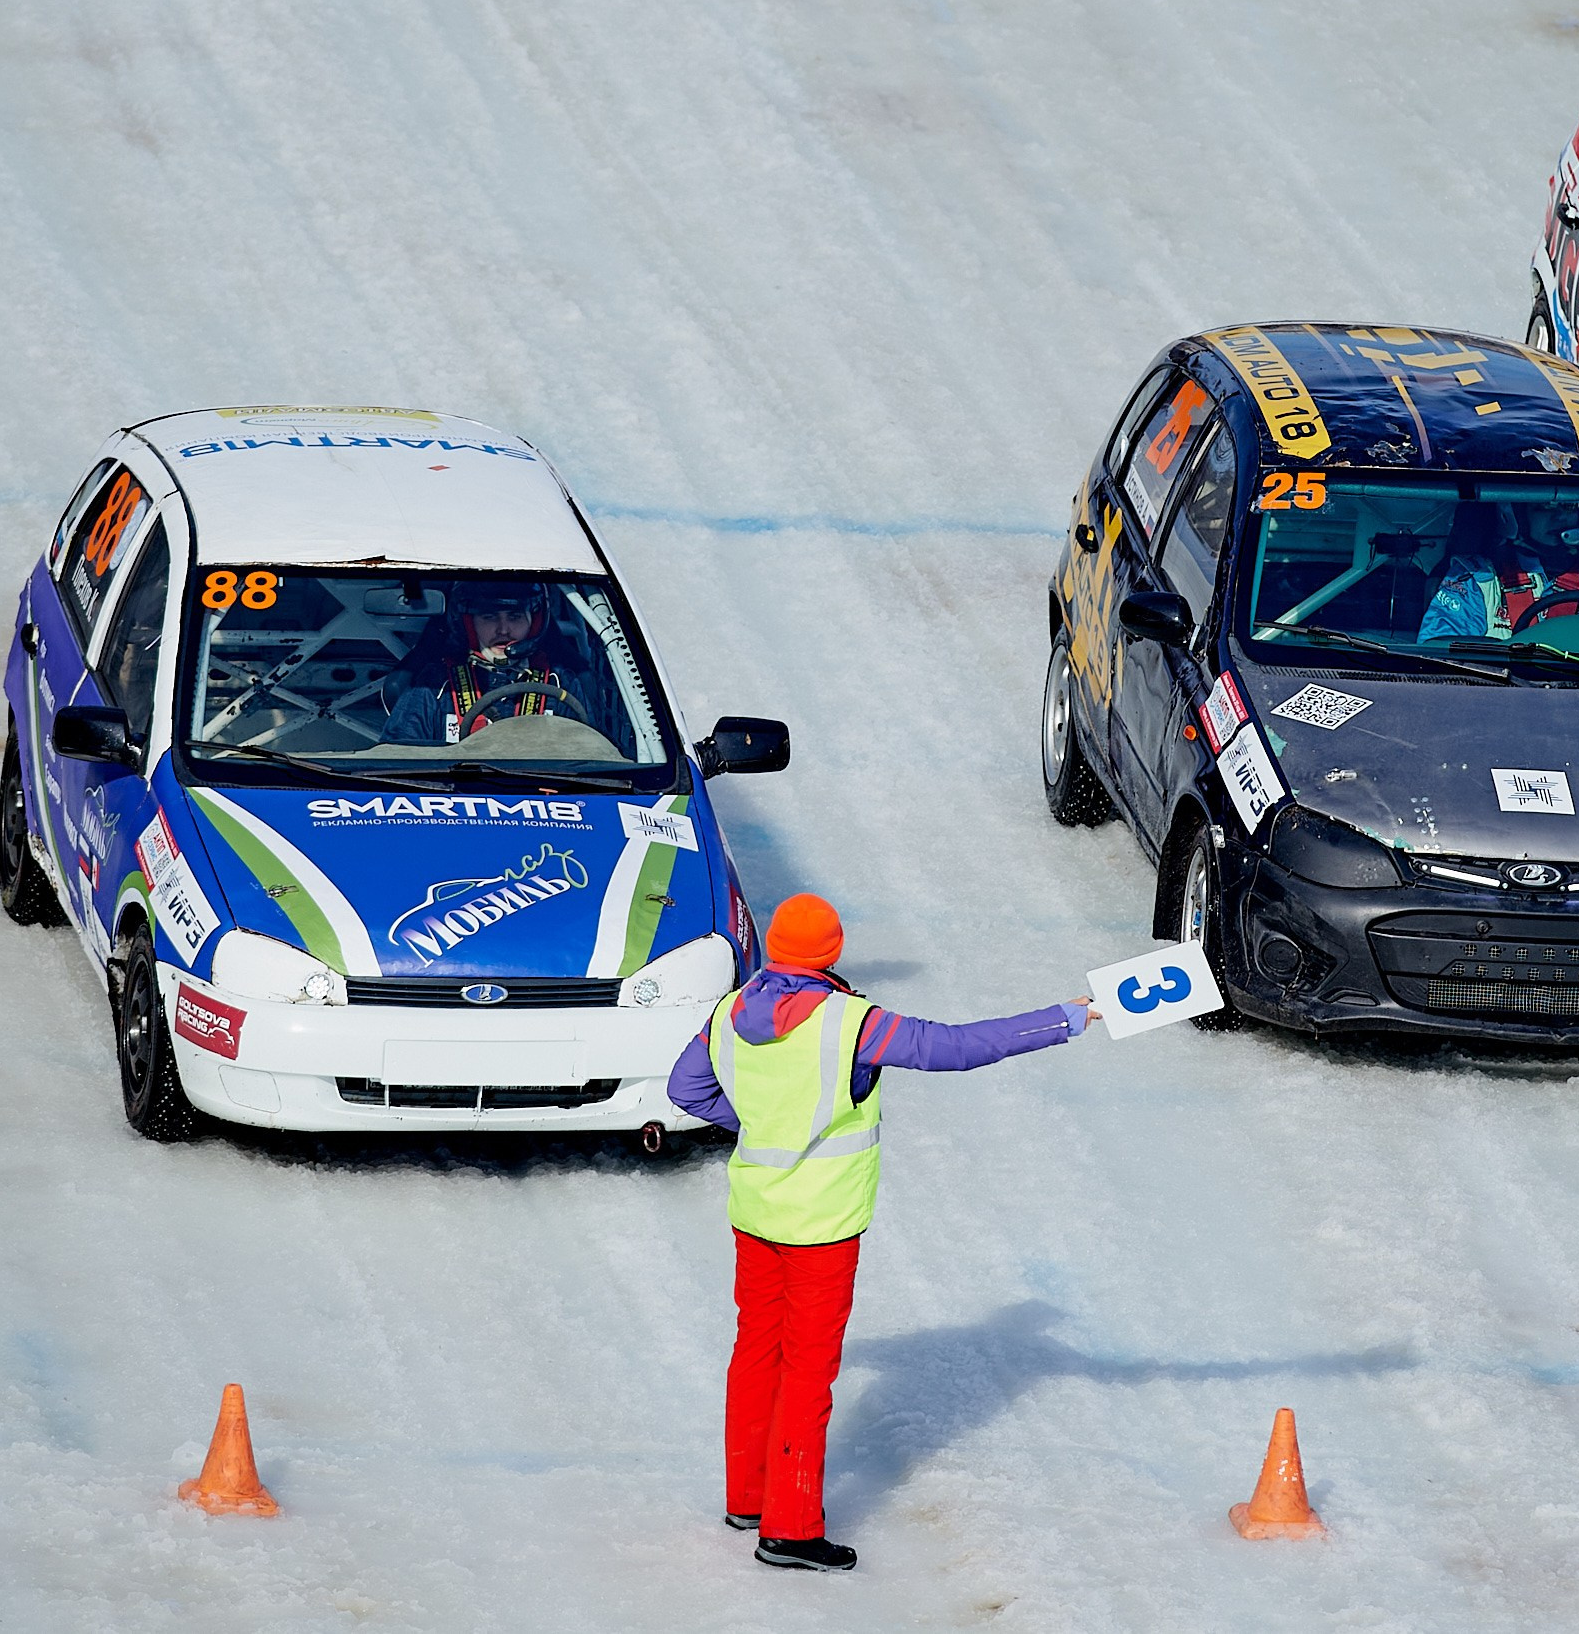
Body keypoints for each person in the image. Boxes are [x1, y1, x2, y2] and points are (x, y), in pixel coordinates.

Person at [665, 893, 1099, 1572]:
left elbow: (685, 1089)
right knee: (807, 1371)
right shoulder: (851, 1022)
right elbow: (955, 1047)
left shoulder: (727, 1013)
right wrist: (1061, 1019)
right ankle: (790, 1529)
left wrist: (759, 1125)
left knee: (755, 1352)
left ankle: (748, 1497)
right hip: (823, 1226)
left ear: (775, 947)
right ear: (832, 951)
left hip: (756, 1214)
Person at [380, 582, 625, 749]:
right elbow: (397, 762)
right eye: (489, 617)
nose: (503, 629)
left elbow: (590, 758)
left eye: (515, 616)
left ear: (534, 622)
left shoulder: (560, 684)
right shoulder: (435, 685)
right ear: (469, 623)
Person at [1417, 502, 1579, 644]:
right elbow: (1443, 657)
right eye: (1544, 507)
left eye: (1569, 506)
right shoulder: (1477, 577)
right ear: (1516, 514)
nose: (1559, 517)